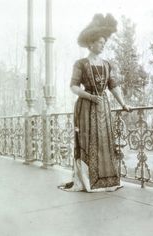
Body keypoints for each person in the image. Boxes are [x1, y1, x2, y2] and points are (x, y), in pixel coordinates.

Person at [58, 13, 130, 192]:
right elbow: (73, 87)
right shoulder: (81, 64)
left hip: (103, 107)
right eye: (100, 42)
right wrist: (89, 96)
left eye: (104, 43)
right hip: (85, 106)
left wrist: (123, 104)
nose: (103, 45)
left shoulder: (107, 64)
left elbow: (113, 86)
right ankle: (87, 181)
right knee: (87, 140)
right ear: (91, 43)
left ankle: (107, 181)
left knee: (104, 141)